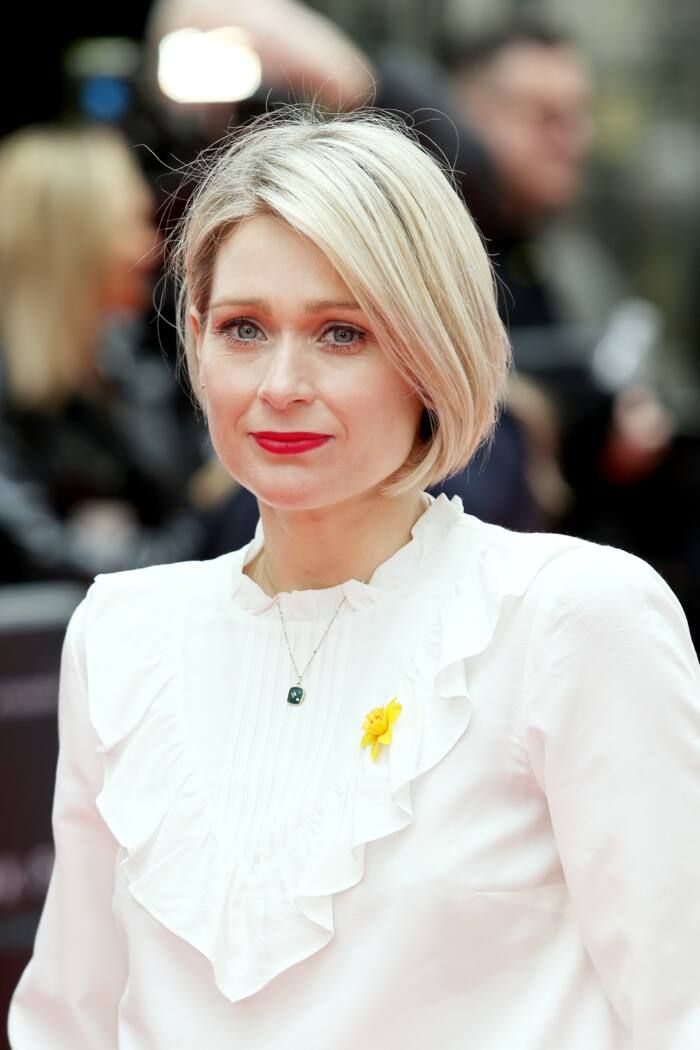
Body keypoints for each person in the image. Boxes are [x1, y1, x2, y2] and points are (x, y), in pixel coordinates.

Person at [8, 111, 700, 1049]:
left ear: (429, 352)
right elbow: (71, 1016)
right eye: (244, 328)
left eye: (342, 333)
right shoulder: (124, 632)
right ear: (197, 343)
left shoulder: (571, 617)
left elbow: (679, 1005)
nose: (282, 383)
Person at [0, 125, 209, 582]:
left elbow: (181, 500)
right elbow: (40, 560)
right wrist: (210, 532)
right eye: (132, 222)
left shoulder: (128, 362)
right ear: (71, 245)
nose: (151, 248)